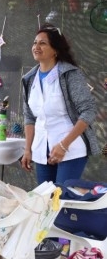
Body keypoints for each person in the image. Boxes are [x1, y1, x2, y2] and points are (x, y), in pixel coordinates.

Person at [20, 25, 98, 185]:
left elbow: (88, 111)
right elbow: (29, 117)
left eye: (42, 43)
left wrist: (64, 145)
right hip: (41, 149)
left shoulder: (70, 74)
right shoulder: (28, 79)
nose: (36, 47)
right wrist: (27, 149)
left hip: (71, 148)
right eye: (35, 43)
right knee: (45, 200)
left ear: (55, 50)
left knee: (61, 199)